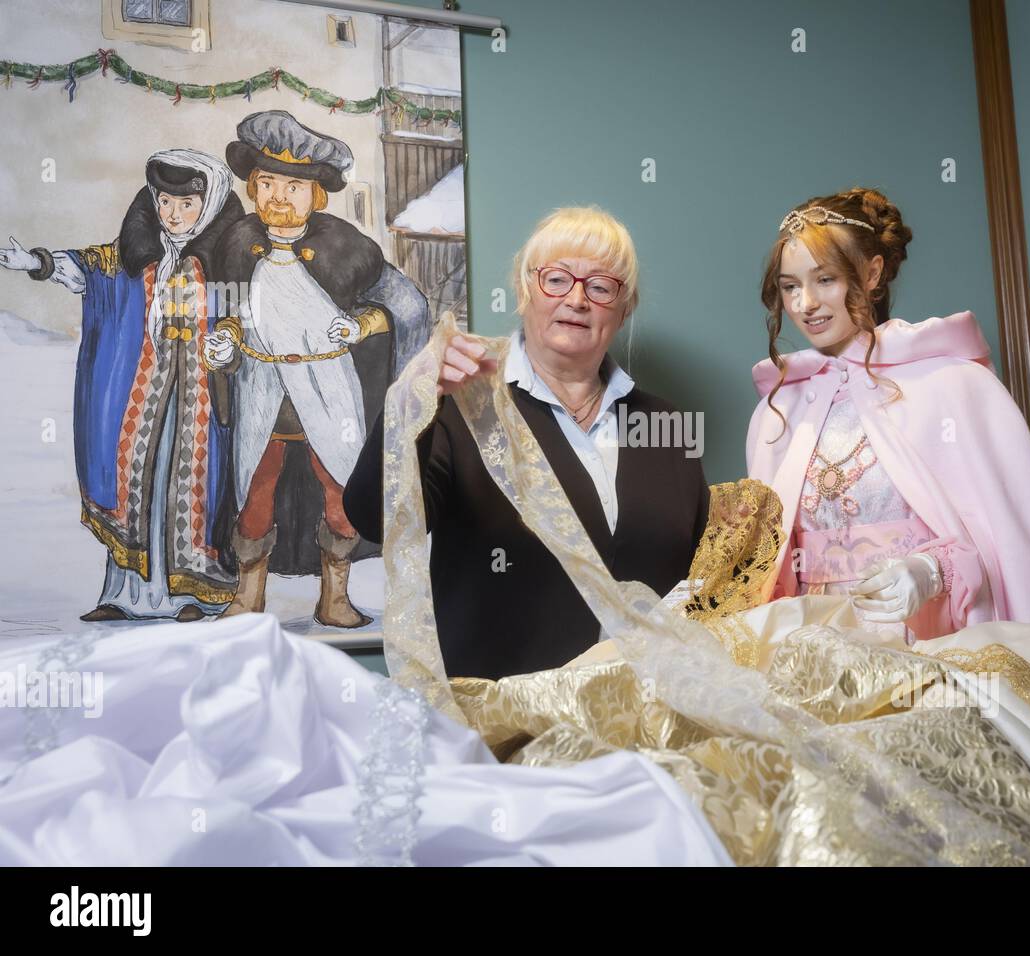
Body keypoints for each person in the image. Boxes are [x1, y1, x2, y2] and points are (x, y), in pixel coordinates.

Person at [344, 206, 709, 679]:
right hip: (502, 728)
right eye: (556, 279)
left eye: (600, 287)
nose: (577, 300)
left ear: (624, 309)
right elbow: (373, 518)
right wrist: (410, 403)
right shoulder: (461, 405)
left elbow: (699, 577)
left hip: (643, 724)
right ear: (523, 291)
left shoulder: (665, 424)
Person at [745, 187, 1030, 641]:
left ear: (873, 272)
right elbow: (767, 567)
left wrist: (933, 570)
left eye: (825, 279)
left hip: (928, 645)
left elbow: (1011, 549)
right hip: (815, 652)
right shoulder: (776, 411)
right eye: (790, 286)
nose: (805, 305)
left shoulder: (954, 386)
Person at [0, 150, 245, 621]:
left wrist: (228, 344)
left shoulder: (229, 259)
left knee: (192, 489)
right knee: (137, 485)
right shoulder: (137, 255)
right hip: (144, 399)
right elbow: (87, 271)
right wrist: (36, 261)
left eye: (186, 204)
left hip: (200, 406)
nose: (173, 215)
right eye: (165, 202)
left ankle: (195, 594)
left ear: (209, 203)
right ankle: (126, 595)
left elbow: (244, 320)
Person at [206, 110, 427, 628]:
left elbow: (406, 306)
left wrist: (362, 325)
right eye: (266, 184)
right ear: (253, 188)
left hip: (330, 391)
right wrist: (226, 342)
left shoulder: (345, 250)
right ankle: (248, 596)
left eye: (293, 186)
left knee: (339, 490)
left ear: (315, 196)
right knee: (255, 490)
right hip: (264, 391)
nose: (278, 197)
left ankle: (336, 598)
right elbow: (233, 315)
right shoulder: (236, 245)